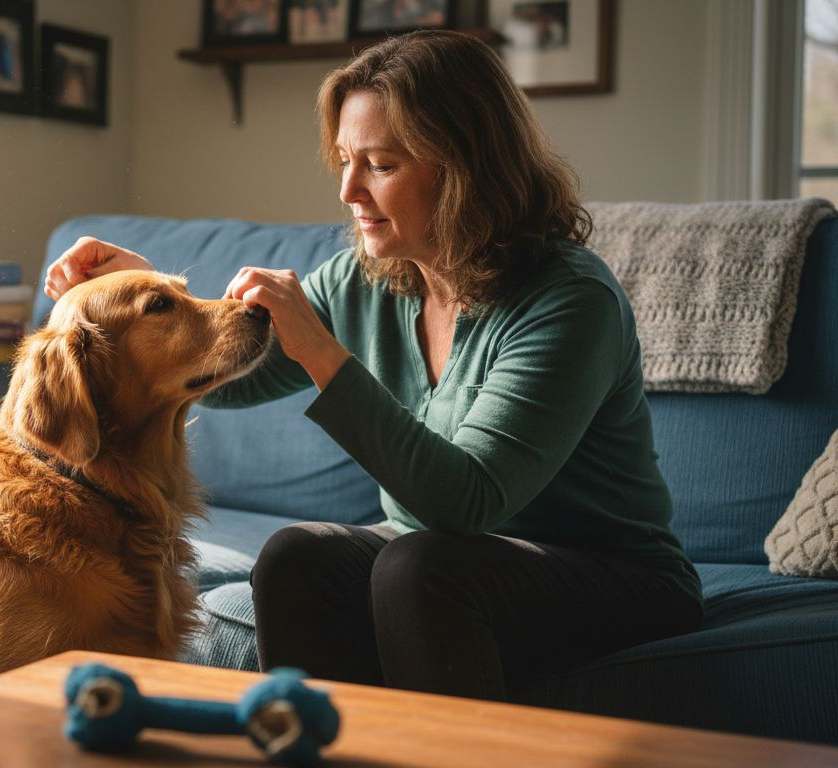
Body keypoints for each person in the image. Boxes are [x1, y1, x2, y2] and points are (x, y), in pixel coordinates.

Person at [43, 30, 703, 702]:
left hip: (610, 573)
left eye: (381, 164)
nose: (349, 191)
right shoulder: (369, 278)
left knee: (417, 566)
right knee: (298, 555)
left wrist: (324, 353)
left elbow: (464, 502)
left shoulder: (569, 301)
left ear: (465, 168)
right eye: (344, 161)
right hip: (442, 557)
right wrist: (141, 295)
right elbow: (236, 375)